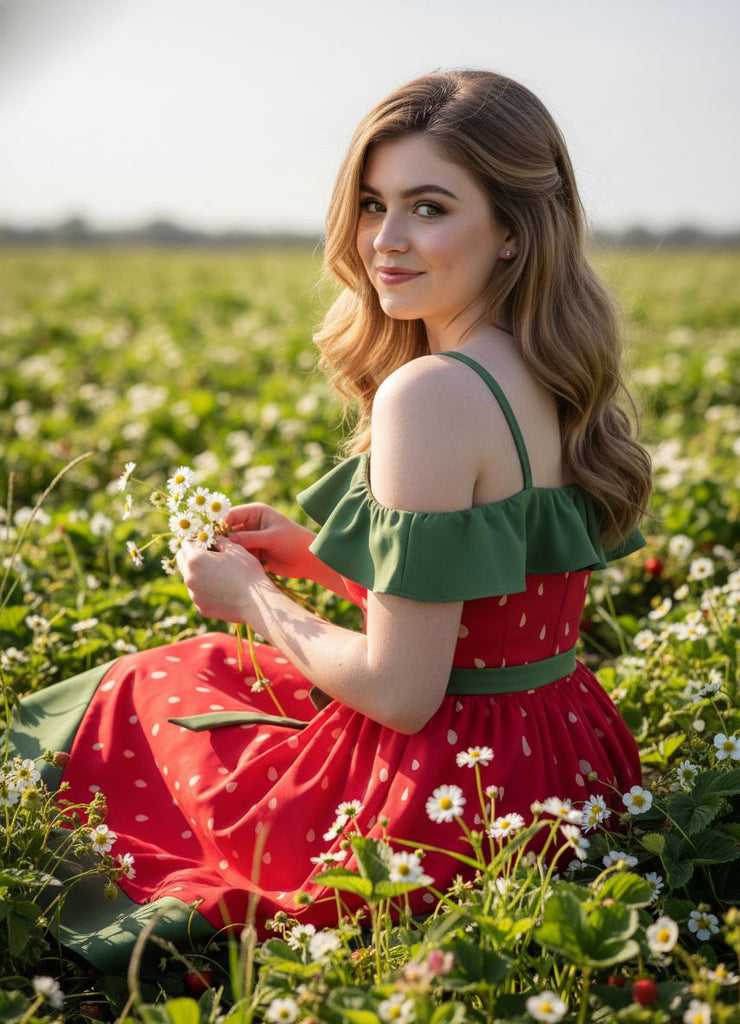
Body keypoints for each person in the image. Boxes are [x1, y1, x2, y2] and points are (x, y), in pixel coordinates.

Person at [9, 69, 652, 973]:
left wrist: (253, 598)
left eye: (428, 207)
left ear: (511, 229)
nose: (385, 241)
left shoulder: (432, 392)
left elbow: (401, 691)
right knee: (221, 679)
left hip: (441, 809)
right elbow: (494, 616)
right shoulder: (548, 365)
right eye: (372, 203)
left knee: (157, 685)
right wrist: (313, 559)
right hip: (563, 763)